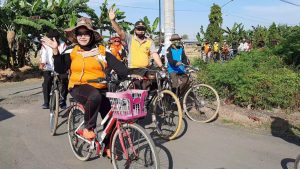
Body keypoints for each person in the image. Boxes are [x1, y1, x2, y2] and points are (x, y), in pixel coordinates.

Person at [41, 17, 129, 158]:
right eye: (80, 33)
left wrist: (131, 74)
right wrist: (55, 50)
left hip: (101, 87)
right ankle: (88, 128)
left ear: (92, 35)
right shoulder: (72, 51)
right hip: (79, 87)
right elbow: (60, 68)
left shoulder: (102, 51)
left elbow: (120, 68)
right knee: (93, 96)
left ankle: (107, 146)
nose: (83, 36)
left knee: (111, 115)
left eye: (86, 33)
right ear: (76, 36)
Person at [109, 8, 164, 75]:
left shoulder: (149, 41)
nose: (141, 31)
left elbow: (154, 54)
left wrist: (161, 66)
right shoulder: (130, 38)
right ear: (135, 30)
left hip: (146, 69)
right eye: (139, 29)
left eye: (143, 29)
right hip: (133, 69)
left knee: (159, 75)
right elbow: (120, 32)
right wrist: (113, 20)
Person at [40, 30, 68, 109]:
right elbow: (43, 55)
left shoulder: (63, 45)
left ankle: (63, 101)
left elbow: (64, 56)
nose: (53, 40)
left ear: (58, 38)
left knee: (64, 82)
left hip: (60, 68)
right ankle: (46, 102)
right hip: (49, 67)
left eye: (55, 38)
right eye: (51, 39)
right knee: (46, 82)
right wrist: (42, 63)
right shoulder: (45, 45)